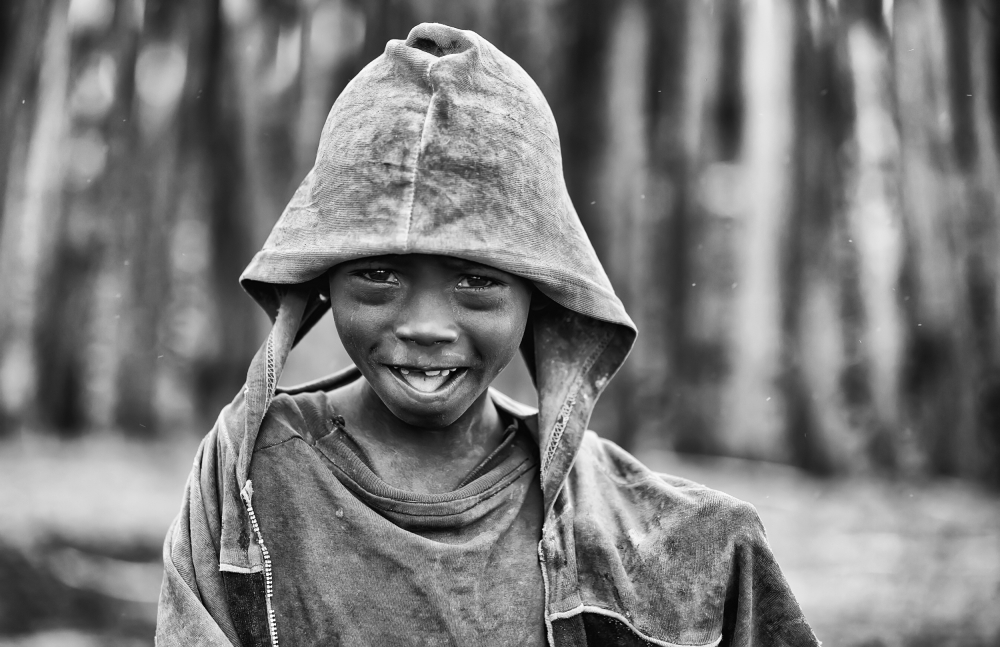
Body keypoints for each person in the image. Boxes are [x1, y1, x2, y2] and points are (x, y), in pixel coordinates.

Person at [156, 22, 819, 647]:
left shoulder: (659, 539)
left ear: (542, 291)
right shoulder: (247, 477)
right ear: (322, 279)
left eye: (476, 280)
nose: (424, 326)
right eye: (379, 274)